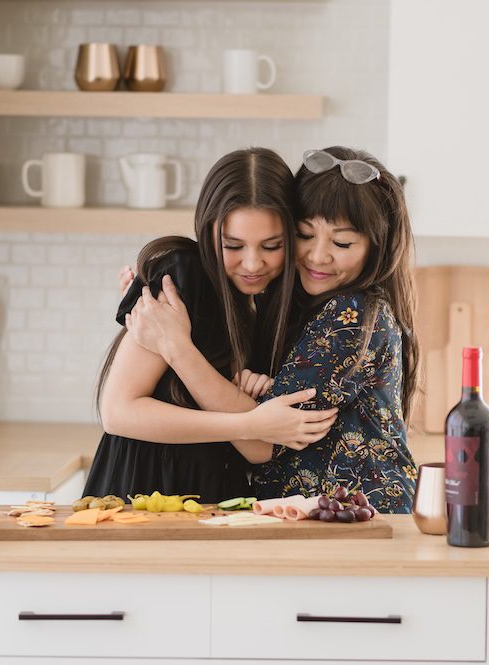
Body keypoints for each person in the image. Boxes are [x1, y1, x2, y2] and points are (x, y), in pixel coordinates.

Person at [124, 146, 421, 513]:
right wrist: (254, 390)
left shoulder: (355, 314)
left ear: (378, 247)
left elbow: (260, 441)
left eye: (342, 242)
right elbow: (260, 416)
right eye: (304, 235)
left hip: (356, 520)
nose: (317, 255)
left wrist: (175, 346)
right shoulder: (284, 302)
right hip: (320, 518)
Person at [84, 147, 338, 504]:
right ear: (208, 232)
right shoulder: (182, 276)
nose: (253, 263)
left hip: (221, 493)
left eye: (272, 246)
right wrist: (248, 421)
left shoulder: (279, 306)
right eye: (232, 245)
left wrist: (257, 398)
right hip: (143, 486)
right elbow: (119, 412)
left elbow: (260, 449)